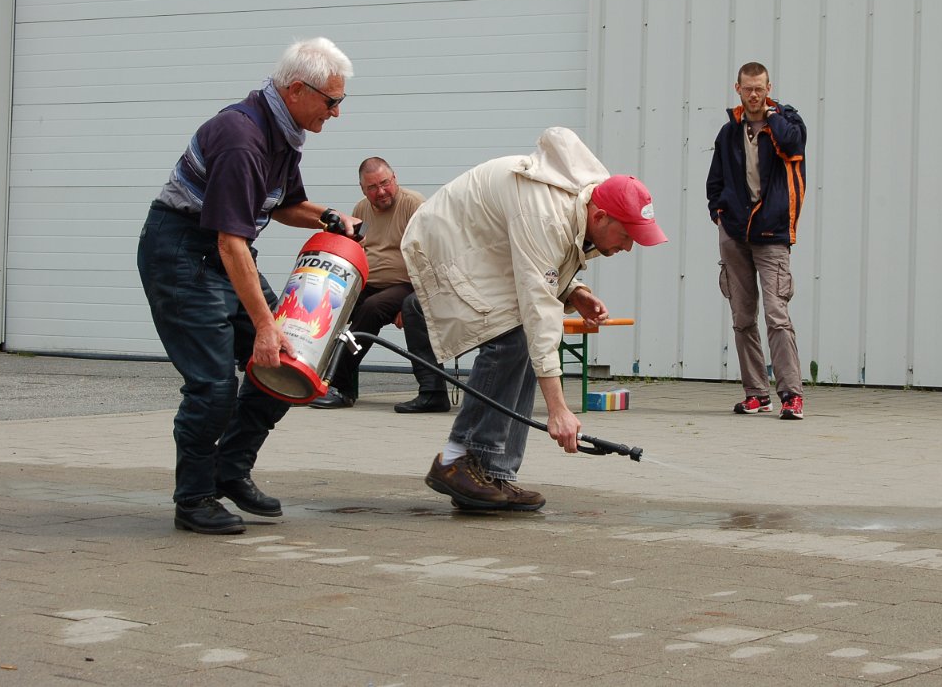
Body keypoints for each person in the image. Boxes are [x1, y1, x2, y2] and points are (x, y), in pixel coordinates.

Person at [137, 37, 359, 535]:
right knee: (215, 386)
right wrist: (264, 324)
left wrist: (328, 217)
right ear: (298, 90)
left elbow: (281, 205)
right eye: (333, 101)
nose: (337, 113)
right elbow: (230, 241)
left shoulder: (281, 133)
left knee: (286, 365)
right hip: (182, 253)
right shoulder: (243, 138)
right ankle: (193, 500)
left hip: (219, 252)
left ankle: (229, 470)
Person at [399, 127, 668, 512]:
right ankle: (456, 460)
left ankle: (493, 473)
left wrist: (573, 290)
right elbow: (540, 310)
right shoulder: (546, 215)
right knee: (509, 335)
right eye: (627, 235)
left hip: (491, 245)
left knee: (522, 335)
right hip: (448, 243)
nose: (628, 247)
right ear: (601, 215)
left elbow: (546, 266)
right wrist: (558, 409)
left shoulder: (584, 203)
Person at [706, 61, 807, 420]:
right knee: (742, 317)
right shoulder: (729, 132)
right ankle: (755, 393)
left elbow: (794, 144)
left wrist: (773, 113)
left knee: (777, 316)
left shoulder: (787, 124)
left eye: (760, 89)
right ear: (737, 89)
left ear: (769, 87)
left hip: (772, 234)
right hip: (734, 233)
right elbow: (714, 181)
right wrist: (718, 213)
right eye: (748, 89)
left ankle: (791, 395)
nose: (753, 95)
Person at [309, 158, 449, 413]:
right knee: (329, 303)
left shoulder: (413, 203)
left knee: (371, 309)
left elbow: (432, 255)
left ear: (395, 178)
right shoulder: (361, 208)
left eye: (385, 183)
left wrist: (415, 301)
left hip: (405, 284)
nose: (381, 191)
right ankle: (311, 377)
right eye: (372, 187)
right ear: (363, 189)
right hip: (369, 282)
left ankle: (339, 385)